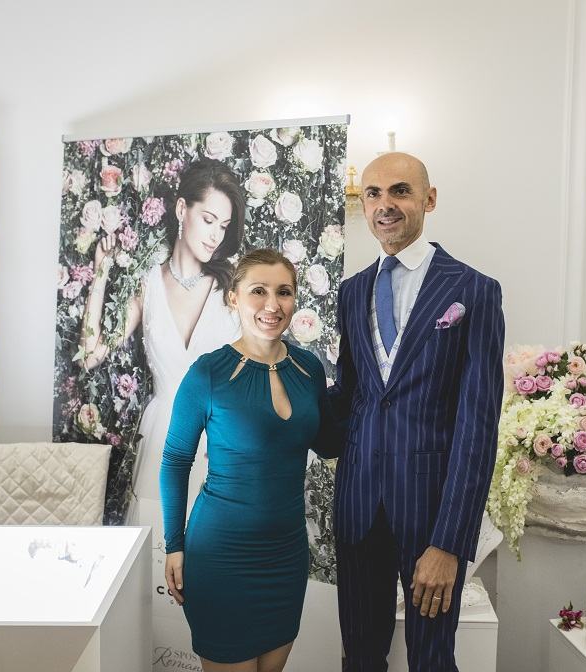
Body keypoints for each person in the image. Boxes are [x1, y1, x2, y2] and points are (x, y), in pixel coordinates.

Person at [329, 152, 505, 671]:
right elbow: (352, 396)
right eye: (373, 194)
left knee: (431, 661)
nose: (385, 204)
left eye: (400, 191)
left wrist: (450, 542)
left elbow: (478, 426)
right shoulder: (351, 292)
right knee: (360, 659)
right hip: (359, 507)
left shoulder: (473, 290)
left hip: (431, 515)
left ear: (429, 199)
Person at [160, 249, 342, 672]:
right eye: (258, 291)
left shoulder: (309, 368)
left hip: (286, 556)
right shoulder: (208, 374)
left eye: (284, 292)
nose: (272, 305)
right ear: (234, 298)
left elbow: (329, 443)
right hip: (221, 557)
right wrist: (174, 546)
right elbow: (175, 461)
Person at [78, 158, 244, 513]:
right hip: (163, 439)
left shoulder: (233, 287)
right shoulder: (147, 285)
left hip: (222, 443)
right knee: (159, 535)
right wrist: (100, 273)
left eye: (223, 226)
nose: (216, 236)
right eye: (209, 220)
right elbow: (90, 356)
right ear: (182, 209)